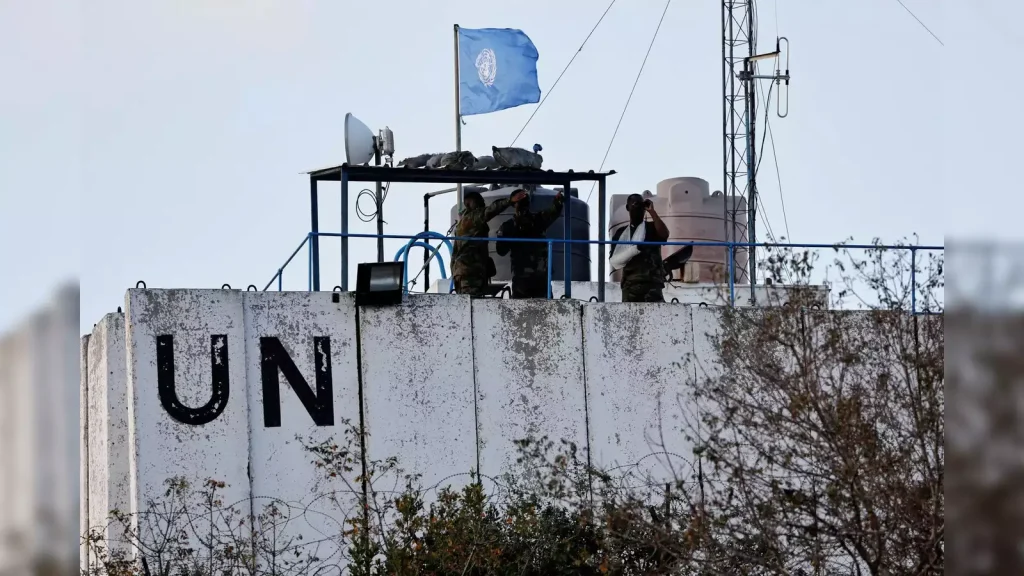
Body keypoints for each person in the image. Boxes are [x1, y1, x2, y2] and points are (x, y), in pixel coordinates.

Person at [451, 189, 528, 296]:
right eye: (479, 201)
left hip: (466, 273)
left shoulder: (462, 224)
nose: (482, 204)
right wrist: (510, 201)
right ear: (468, 203)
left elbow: (454, 254)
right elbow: (491, 210)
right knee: (472, 302)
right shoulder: (472, 218)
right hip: (470, 274)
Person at [495, 189, 564, 299]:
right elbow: (501, 250)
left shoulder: (511, 225)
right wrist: (558, 202)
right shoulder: (536, 220)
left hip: (531, 277)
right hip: (531, 278)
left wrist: (558, 202)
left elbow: (501, 250)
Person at [609, 193, 670, 302]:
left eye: (641, 205)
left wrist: (652, 212)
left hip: (652, 283)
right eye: (635, 204)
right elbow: (614, 261)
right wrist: (635, 249)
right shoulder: (620, 233)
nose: (639, 209)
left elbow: (664, 235)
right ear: (628, 207)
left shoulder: (652, 227)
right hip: (630, 285)